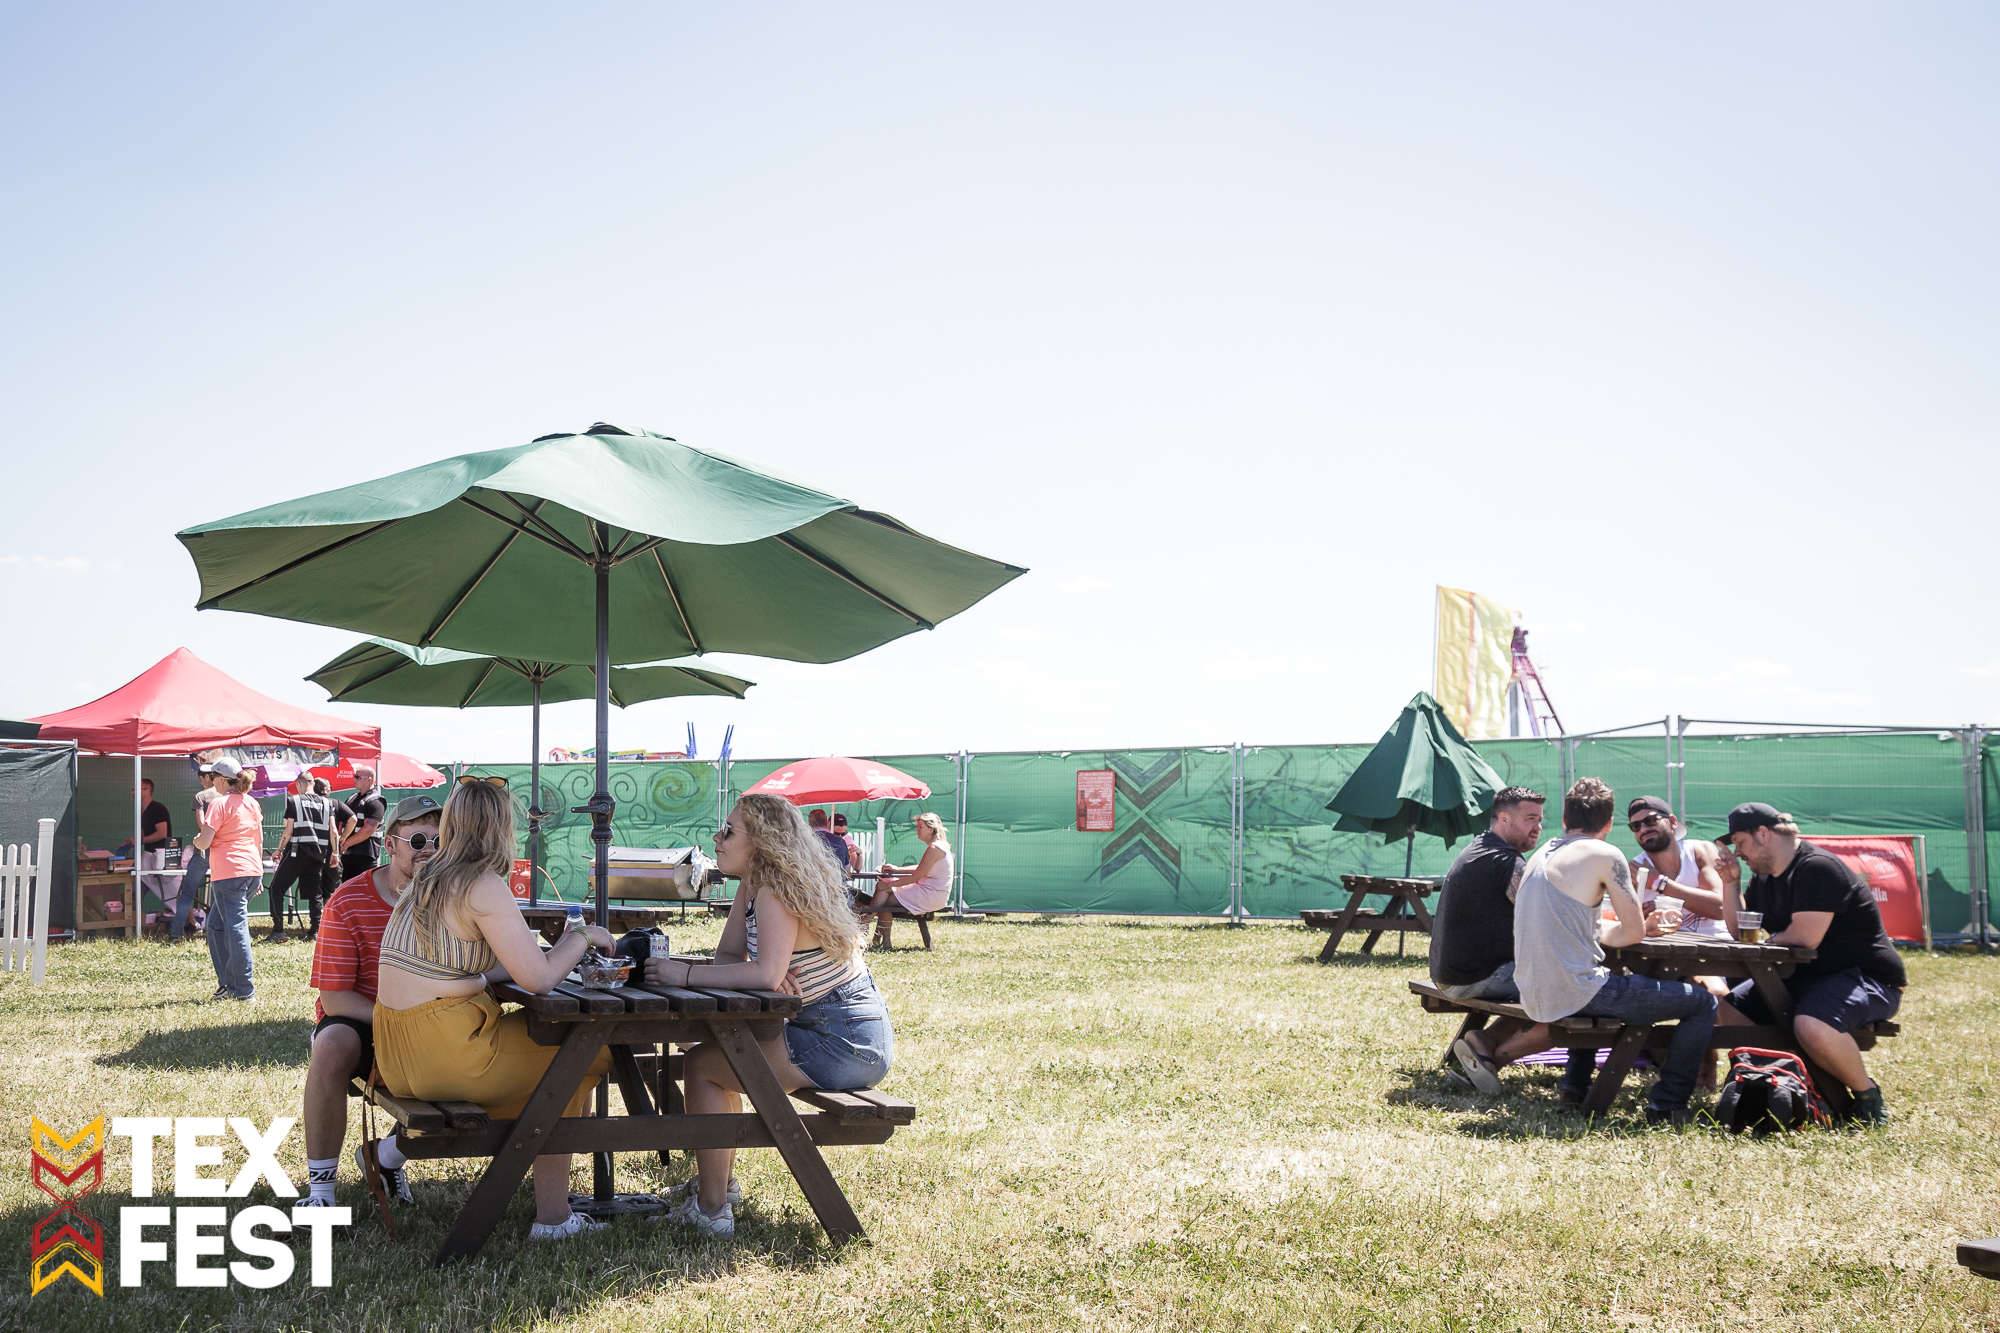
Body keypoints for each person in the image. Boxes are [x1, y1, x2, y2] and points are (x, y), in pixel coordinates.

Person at [372, 780, 618, 1243]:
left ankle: (550, 1202)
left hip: (398, 1053)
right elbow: (540, 980)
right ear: (502, 828)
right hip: (448, 1054)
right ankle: (552, 1215)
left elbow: (465, 962)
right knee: (580, 1056)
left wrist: (494, 974)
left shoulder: (426, 876)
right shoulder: (482, 884)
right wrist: (584, 937)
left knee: (549, 1055)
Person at [642, 794, 891, 1237]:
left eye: (729, 832)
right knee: (714, 1058)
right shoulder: (754, 885)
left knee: (703, 1066)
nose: (717, 840)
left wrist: (685, 974)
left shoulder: (774, 890)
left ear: (761, 842)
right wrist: (754, 973)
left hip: (842, 1039)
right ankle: (719, 1185)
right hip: (821, 1028)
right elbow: (728, 955)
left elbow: (764, 970)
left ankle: (712, 1207)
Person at [1513, 778, 1716, 1125]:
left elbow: (1594, 930)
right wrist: (1643, 927)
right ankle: (1667, 1104)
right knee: (1701, 1002)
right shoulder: (1606, 854)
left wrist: (1628, 929)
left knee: (1597, 976)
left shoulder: (1542, 852)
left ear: (1564, 821)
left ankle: (1574, 1087)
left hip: (1531, 989)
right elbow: (1633, 931)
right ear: (1608, 824)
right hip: (1574, 991)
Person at [1713, 802, 1905, 1125]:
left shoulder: (1817, 868)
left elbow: (1805, 937)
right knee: (1729, 1011)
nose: (1739, 852)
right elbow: (1739, 930)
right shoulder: (1764, 878)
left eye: (1741, 842)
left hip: (1867, 979)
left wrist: (1765, 943)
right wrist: (1730, 882)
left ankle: (1867, 1099)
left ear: (1763, 834)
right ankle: (1780, 1077)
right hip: (1808, 978)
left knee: (1811, 1025)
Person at [298, 794, 442, 1210]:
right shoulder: (348, 900)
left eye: (439, 841)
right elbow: (336, 997)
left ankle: (384, 1157)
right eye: (417, 840)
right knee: (331, 1044)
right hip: (367, 1022)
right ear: (390, 844)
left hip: (437, 1022)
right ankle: (321, 1193)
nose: (429, 851)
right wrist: (398, 1020)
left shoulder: (458, 897)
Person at [1428, 786, 1551, 1094]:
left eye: (1540, 819)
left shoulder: (1480, 847)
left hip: (1451, 972)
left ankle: (1483, 1044)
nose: (1538, 826)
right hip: (1475, 977)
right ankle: (1495, 1054)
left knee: (1549, 981)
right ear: (1504, 818)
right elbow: (1546, 918)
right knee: (1568, 987)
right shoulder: (1505, 861)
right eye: (1530, 818)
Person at [192, 760, 262, 1002]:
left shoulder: (219, 804)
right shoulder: (251, 803)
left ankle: (243, 990)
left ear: (221, 780)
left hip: (229, 873)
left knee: (235, 928)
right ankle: (228, 984)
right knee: (216, 926)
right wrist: (258, 872)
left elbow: (206, 840)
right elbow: (258, 839)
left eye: (213, 778)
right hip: (251, 871)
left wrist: (196, 842)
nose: (211, 782)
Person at [1626, 796, 1730, 942]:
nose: (1643, 829)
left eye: (1650, 821)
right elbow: (1622, 923)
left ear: (1673, 822)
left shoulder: (1700, 851)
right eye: (1635, 826)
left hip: (1719, 948)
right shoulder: (1634, 870)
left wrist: (1660, 883)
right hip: (1661, 955)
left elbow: (1721, 909)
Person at [857, 811, 954, 949]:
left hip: (930, 895)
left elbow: (917, 876)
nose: (917, 830)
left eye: (920, 827)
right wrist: (896, 870)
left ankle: (869, 922)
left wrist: (891, 885)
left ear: (931, 828)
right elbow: (923, 868)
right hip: (933, 894)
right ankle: (877, 936)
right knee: (884, 890)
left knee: (885, 894)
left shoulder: (934, 848)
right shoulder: (940, 846)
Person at [269, 774, 338, 941]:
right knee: (315, 893)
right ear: (312, 784)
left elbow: (288, 831)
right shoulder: (328, 803)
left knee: (276, 889)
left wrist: (279, 849)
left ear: (299, 784)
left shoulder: (294, 801)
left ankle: (278, 931)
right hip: (318, 854)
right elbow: (334, 831)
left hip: (296, 852)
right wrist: (335, 852)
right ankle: (315, 931)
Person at [170, 762, 226, 943]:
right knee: (222, 894)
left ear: (204, 777)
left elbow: (202, 825)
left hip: (204, 851)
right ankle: (214, 933)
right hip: (224, 851)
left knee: (187, 893)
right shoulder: (227, 796)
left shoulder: (200, 796)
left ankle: (176, 934)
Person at [338, 767, 387, 883]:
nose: (354, 779)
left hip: (365, 855)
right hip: (348, 854)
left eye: (358, 777)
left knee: (363, 890)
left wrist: (346, 843)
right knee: (347, 891)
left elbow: (369, 829)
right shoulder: (352, 798)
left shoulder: (376, 801)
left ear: (370, 780)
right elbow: (342, 821)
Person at [137, 778, 174, 922]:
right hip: (149, 856)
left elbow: (162, 833)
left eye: (140, 789)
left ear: (148, 790)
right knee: (136, 890)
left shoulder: (157, 808)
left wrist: (140, 840)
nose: (135, 792)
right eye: (133, 789)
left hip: (161, 857)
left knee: (173, 892)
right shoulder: (141, 810)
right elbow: (146, 833)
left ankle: (192, 922)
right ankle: (137, 921)